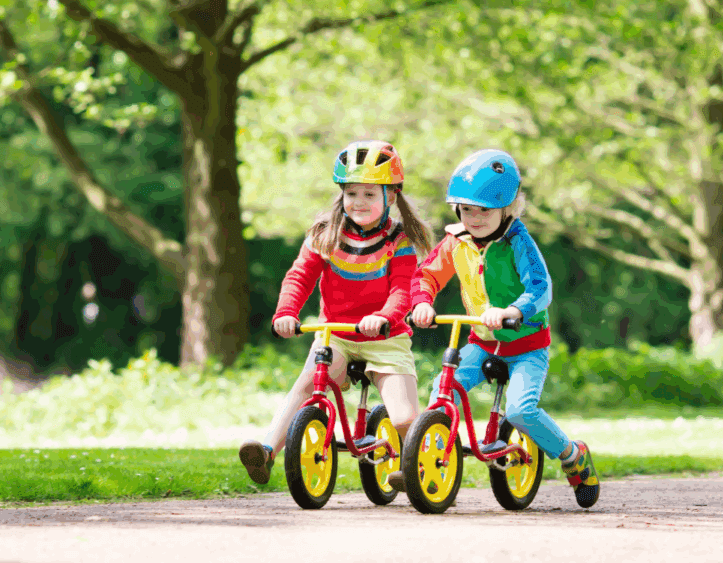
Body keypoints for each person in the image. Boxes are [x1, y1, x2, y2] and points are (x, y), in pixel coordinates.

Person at [396, 149, 599, 508]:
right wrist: (422, 302)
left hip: (526, 346)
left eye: (484, 210)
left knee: (520, 411)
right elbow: (426, 274)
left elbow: (540, 287)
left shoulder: (518, 242)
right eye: (466, 209)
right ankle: (431, 462)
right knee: (444, 393)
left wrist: (514, 310)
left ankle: (572, 455)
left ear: (509, 208)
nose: (474, 218)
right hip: (482, 342)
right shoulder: (455, 241)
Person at [238, 140, 433, 485]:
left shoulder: (398, 242)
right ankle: (267, 452)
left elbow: (403, 289)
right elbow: (299, 276)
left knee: (403, 416)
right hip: (337, 334)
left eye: (370, 195)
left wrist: (385, 317)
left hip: (385, 338)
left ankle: (411, 468)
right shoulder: (326, 235)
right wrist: (287, 312)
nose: (358, 202)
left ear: (391, 196)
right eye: (351, 193)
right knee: (306, 385)